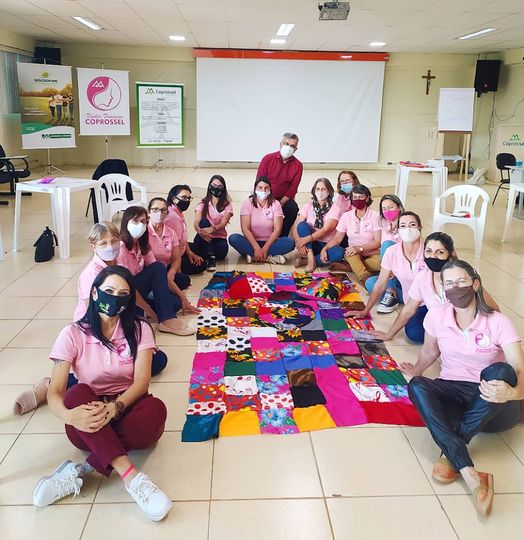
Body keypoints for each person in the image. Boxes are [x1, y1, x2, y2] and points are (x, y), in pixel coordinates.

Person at [32, 266, 172, 522]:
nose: (114, 298)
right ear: (95, 293)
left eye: (122, 294)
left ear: (128, 301)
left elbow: (141, 382)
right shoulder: (72, 334)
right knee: (76, 394)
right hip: (88, 414)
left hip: (127, 405)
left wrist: (115, 408)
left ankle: (82, 470)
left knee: (156, 411)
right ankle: (133, 478)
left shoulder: (140, 329)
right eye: (108, 291)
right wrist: (69, 415)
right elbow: (55, 392)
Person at [401, 260, 524, 517]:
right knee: (418, 386)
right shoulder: (437, 316)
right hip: (455, 395)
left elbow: (518, 367)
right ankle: (470, 473)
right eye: (449, 284)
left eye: (461, 282)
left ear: (475, 284)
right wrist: (416, 370)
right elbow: (429, 350)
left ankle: (452, 453)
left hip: (495, 402)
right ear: (443, 289)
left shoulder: (498, 321)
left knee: (501, 371)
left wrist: (513, 393)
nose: (455, 288)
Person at [12, 222, 169, 417]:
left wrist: (148, 322)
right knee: (100, 374)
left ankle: (114, 385)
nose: (110, 246)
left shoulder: (117, 263)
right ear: (93, 246)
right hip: (94, 331)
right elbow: (95, 315)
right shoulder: (91, 276)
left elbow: (131, 296)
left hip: (116, 325)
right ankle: (50, 385)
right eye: (103, 242)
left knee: (158, 360)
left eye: (113, 241)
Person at [372, 233, 500, 342]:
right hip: (440, 319)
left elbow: (494, 309)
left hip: (466, 326)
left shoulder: (463, 277)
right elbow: (408, 310)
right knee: (414, 333)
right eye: (429, 251)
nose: (433, 256)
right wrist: (389, 334)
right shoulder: (423, 277)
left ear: (451, 255)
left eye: (440, 252)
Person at [346, 211, 427, 341]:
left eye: (412, 225)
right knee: (414, 334)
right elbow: (380, 284)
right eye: (403, 226)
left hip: (432, 302)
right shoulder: (392, 252)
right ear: (398, 229)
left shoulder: (429, 251)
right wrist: (365, 311)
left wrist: (389, 334)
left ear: (419, 227)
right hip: (411, 301)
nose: (408, 229)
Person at [117, 206, 195, 336]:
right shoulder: (121, 248)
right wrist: (155, 315)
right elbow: (126, 287)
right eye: (136, 221)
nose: (141, 225)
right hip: (125, 293)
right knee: (158, 267)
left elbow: (163, 276)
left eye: (144, 221)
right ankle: (167, 320)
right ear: (126, 222)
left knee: (175, 303)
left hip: (139, 292)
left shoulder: (142, 245)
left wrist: (183, 299)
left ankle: (138, 312)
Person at [147, 197, 199, 315]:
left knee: (184, 280)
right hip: (150, 273)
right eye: (155, 209)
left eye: (163, 210)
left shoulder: (170, 232)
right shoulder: (145, 233)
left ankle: (162, 292)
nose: (159, 213)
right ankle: (153, 297)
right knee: (175, 304)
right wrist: (183, 299)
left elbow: (176, 258)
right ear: (148, 212)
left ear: (167, 213)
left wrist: (173, 271)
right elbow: (157, 271)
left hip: (165, 271)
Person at [321, 184, 381, 283]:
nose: (357, 199)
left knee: (382, 263)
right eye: (355, 197)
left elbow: (378, 242)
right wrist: (325, 248)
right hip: (353, 253)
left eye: (361, 197)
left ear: (367, 198)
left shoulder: (376, 216)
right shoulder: (346, 216)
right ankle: (364, 277)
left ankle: (350, 267)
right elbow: (337, 239)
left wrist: (360, 248)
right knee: (349, 252)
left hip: (372, 252)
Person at [229, 176, 295, 264]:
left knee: (290, 242)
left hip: (270, 243)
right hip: (251, 242)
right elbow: (245, 229)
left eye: (266, 188)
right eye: (260, 188)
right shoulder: (247, 203)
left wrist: (265, 248)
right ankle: (269, 257)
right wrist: (256, 248)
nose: (263, 191)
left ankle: (254, 256)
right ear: (255, 189)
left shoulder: (276, 204)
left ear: (270, 190)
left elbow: (277, 229)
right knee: (233, 238)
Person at [256, 132, 303, 237]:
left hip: (283, 199)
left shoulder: (298, 165)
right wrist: (266, 200)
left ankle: (282, 237)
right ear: (281, 144)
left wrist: (280, 203)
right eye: (286, 144)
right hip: (265, 195)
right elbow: (260, 181)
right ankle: (257, 236)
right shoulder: (268, 159)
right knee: (251, 205)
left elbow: (293, 188)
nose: (288, 147)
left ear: (296, 149)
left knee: (293, 208)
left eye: (292, 146)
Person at [293, 177, 343, 272]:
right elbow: (296, 225)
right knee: (302, 225)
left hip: (326, 245)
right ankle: (311, 257)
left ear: (329, 191)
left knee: (339, 253)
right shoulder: (308, 206)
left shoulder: (335, 208)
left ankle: (309, 260)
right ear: (314, 191)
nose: (320, 192)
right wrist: (299, 243)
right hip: (310, 245)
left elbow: (325, 230)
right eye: (318, 189)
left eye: (324, 189)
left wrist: (305, 240)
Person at [193, 175, 233, 272]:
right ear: (210, 186)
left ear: (223, 188)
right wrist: (201, 232)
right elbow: (196, 222)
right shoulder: (202, 203)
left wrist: (213, 229)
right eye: (214, 185)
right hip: (203, 237)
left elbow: (223, 223)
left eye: (220, 186)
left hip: (218, 238)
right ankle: (211, 257)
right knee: (203, 221)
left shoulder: (227, 205)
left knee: (222, 251)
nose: (216, 188)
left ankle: (207, 253)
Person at [165, 184, 207, 274]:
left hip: (180, 246)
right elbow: (173, 245)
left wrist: (189, 253)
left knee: (201, 250)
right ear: (174, 198)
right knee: (202, 264)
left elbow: (182, 239)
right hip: (171, 254)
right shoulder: (172, 217)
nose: (187, 201)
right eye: (184, 197)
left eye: (189, 198)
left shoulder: (177, 211)